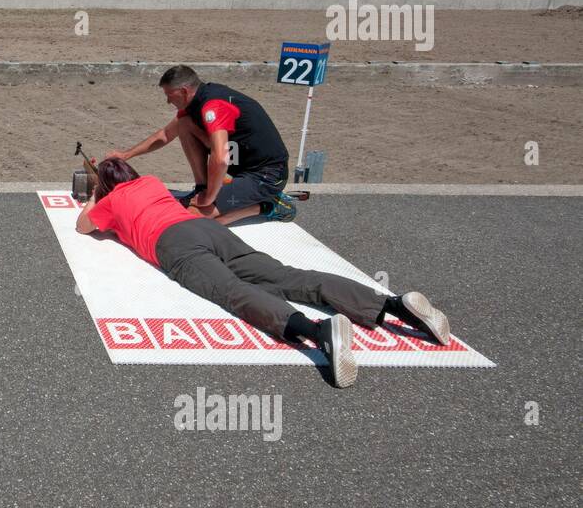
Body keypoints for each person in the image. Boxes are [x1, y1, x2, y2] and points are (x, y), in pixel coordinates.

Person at [76, 157, 450, 388]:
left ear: (107, 185)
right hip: (206, 230)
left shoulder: (109, 202)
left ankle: (318, 331)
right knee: (288, 275)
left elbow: (83, 226)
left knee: (232, 292)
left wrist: (97, 195)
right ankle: (394, 305)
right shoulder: (153, 182)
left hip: (173, 244)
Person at [109, 64, 297, 225]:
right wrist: (126, 155)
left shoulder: (213, 106)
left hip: (268, 174)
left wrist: (209, 197)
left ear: (183, 91)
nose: (168, 101)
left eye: (169, 95)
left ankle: (269, 205)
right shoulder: (194, 103)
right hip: (243, 163)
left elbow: (221, 158)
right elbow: (165, 135)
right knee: (184, 123)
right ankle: (202, 186)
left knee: (194, 218)